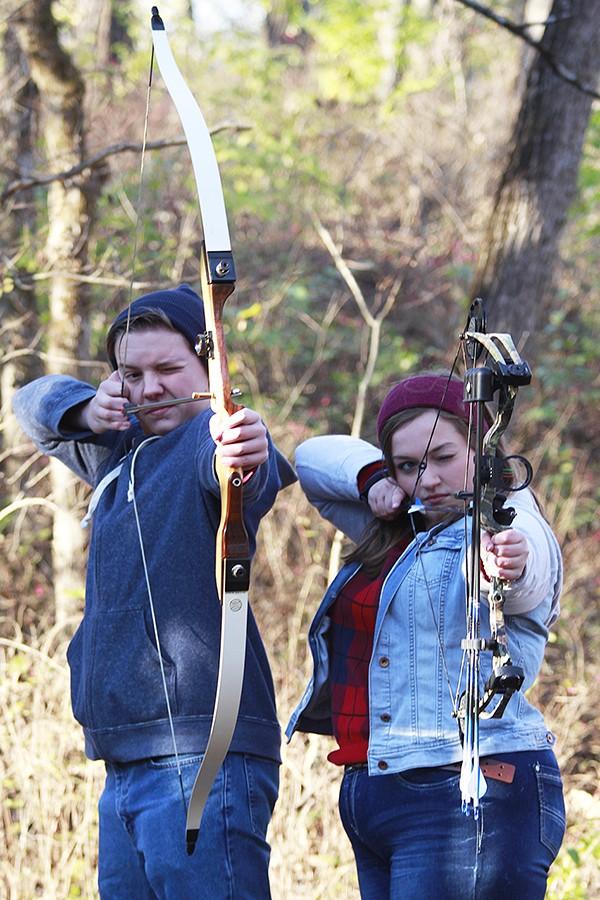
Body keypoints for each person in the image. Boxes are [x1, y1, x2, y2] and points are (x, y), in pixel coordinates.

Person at [13, 283, 296, 900]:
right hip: (125, 763)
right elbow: (29, 402)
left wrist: (242, 451)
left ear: (210, 369)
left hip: (202, 754)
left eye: (170, 369)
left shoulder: (206, 442)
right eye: (132, 373)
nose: (150, 388)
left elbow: (243, 464)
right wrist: (90, 411)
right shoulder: (119, 456)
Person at [286, 373, 565, 899]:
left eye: (443, 457)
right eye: (409, 465)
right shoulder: (402, 523)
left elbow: (528, 573)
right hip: (377, 789)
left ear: (482, 449)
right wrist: (376, 480)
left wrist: (509, 559)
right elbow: (312, 458)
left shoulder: (504, 517)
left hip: (469, 791)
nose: (428, 479)